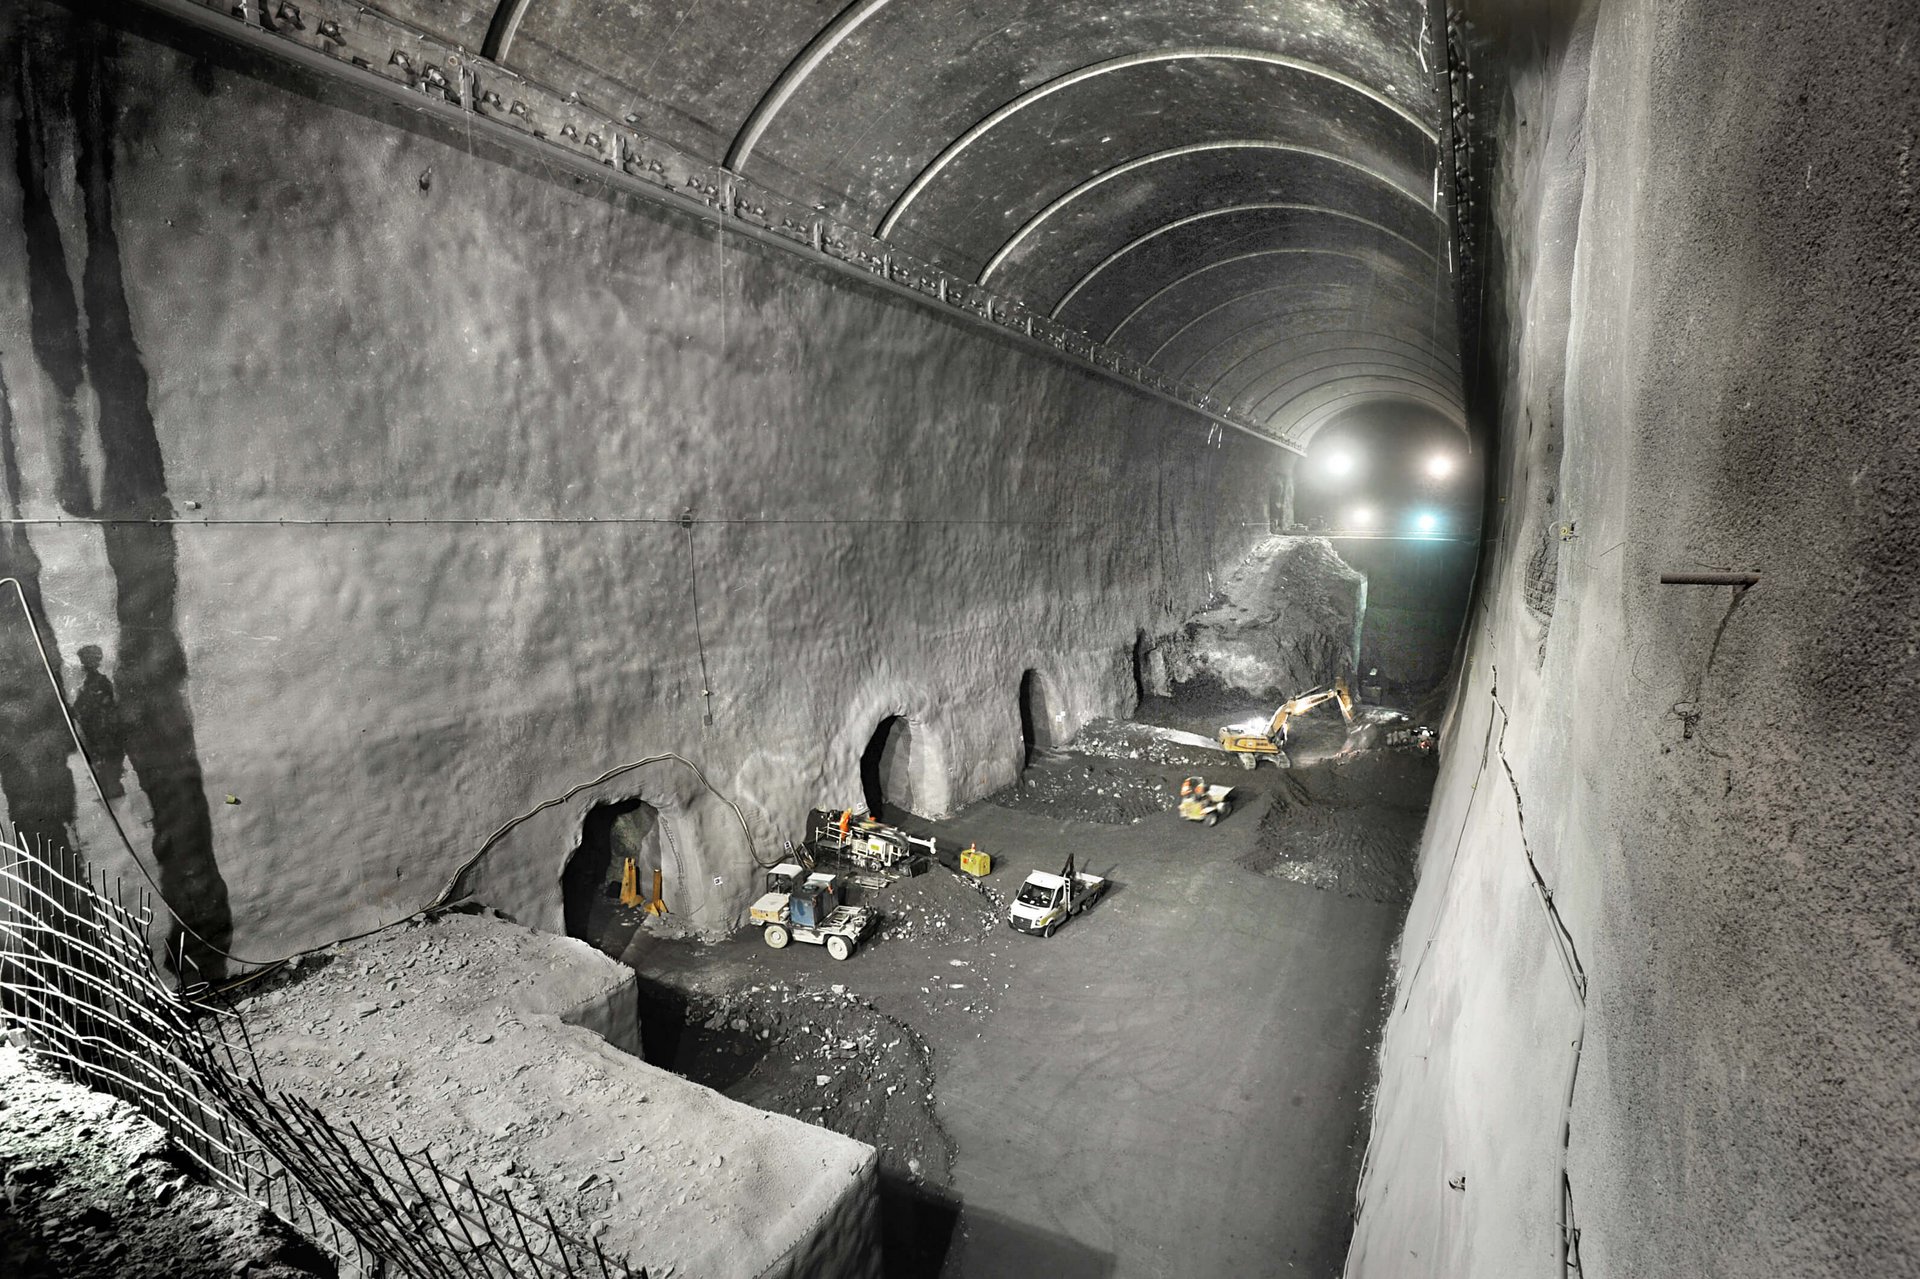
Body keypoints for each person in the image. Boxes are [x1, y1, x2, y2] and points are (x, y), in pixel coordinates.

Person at [70, 645, 125, 799]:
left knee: (107, 759)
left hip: (103, 729)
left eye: (86, 661)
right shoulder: (88, 684)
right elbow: (81, 706)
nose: (83, 665)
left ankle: (112, 788)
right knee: (103, 759)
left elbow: (105, 705)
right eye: (83, 661)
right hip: (97, 729)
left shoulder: (100, 682)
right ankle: (109, 788)